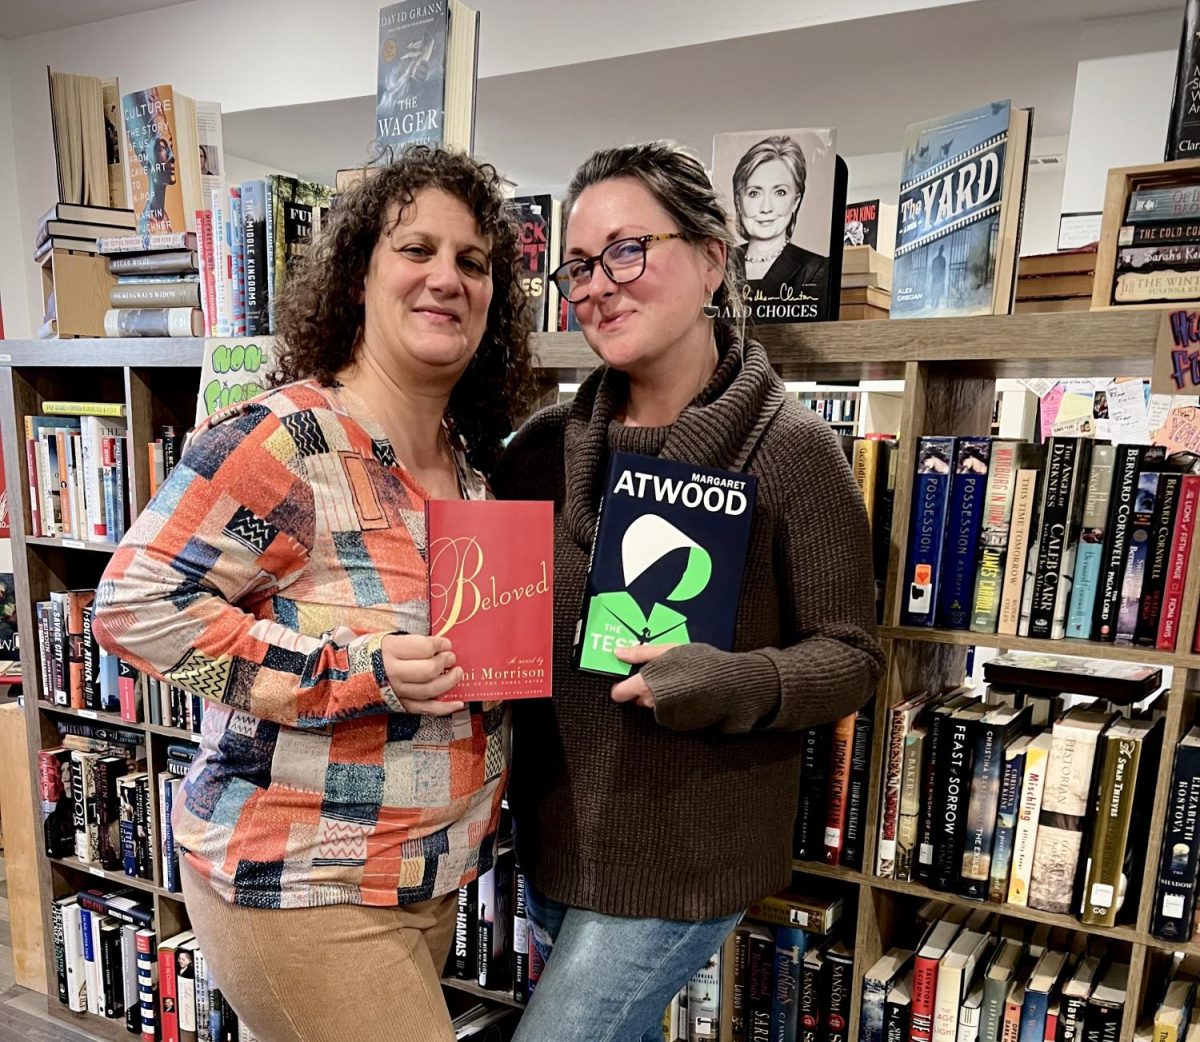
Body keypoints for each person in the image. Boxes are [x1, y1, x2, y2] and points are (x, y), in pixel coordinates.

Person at [92, 146, 537, 1042]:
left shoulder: (475, 475)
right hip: (302, 881)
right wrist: (356, 670)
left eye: (473, 261)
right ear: (359, 277)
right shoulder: (290, 444)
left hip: (426, 881)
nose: (446, 277)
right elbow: (137, 606)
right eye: (416, 250)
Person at [491, 141, 883, 1042]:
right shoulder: (541, 449)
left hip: (684, 856)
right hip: (552, 839)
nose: (599, 285)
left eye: (629, 250)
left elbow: (851, 660)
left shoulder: (792, 448)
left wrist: (726, 681)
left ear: (711, 259)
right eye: (579, 266)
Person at [730, 135, 830, 319]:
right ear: (738, 201)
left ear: (796, 201)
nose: (766, 207)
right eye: (754, 193)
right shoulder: (717, 265)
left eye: (780, 192)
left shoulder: (817, 270)